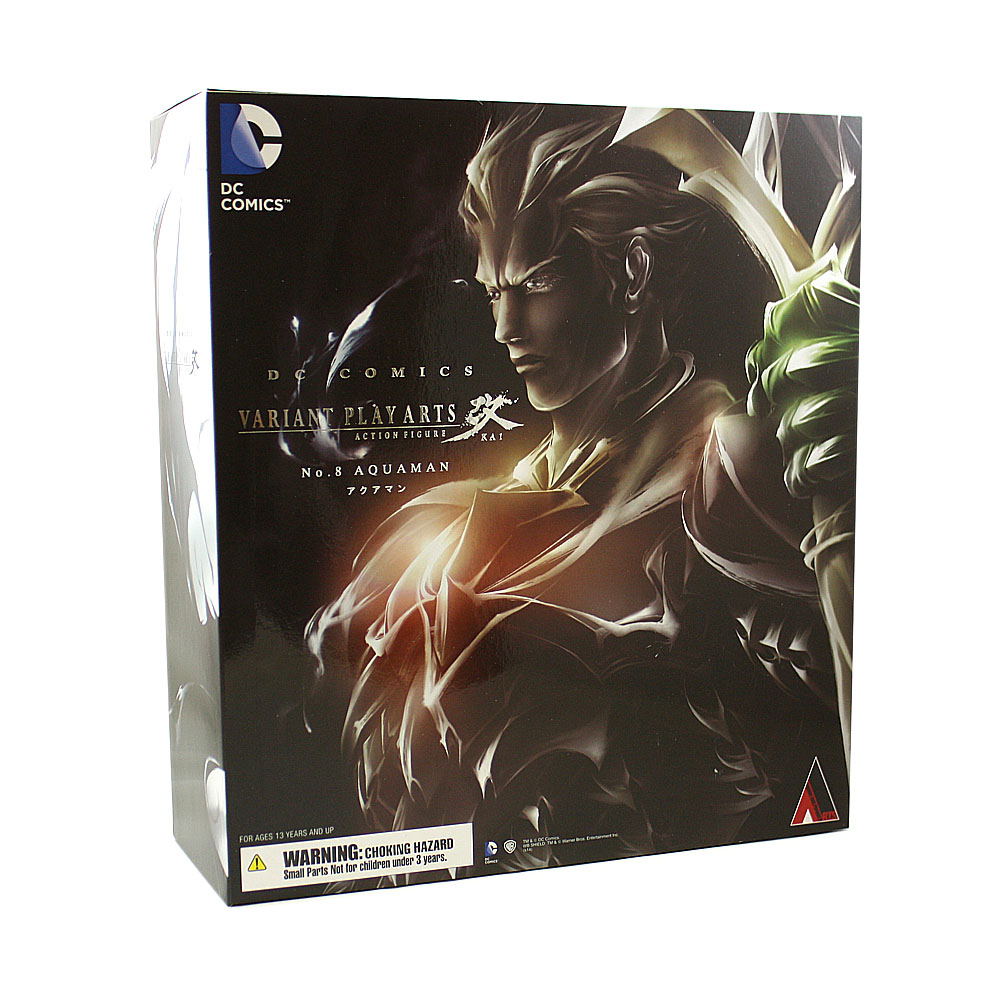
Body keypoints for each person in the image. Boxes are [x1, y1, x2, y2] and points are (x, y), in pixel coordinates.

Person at [307, 106, 855, 877]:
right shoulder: (460, 514)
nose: (505, 327)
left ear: (631, 271)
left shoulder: (725, 468)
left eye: (535, 283)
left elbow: (837, 709)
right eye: (492, 291)